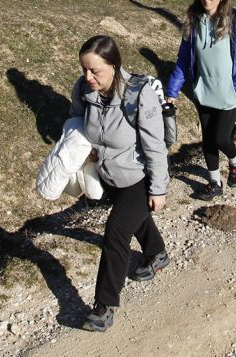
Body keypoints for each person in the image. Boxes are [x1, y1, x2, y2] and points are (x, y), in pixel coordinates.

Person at [71, 35, 170, 332]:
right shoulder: (83, 89)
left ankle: (104, 306)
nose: (88, 77)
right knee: (133, 220)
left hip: (139, 177)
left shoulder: (139, 95)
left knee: (115, 232)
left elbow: (155, 145)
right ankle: (156, 253)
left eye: (95, 71)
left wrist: (159, 188)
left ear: (114, 66)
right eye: (84, 69)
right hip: (108, 175)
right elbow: (76, 124)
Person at [165, 0, 236, 200]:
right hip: (204, 91)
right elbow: (183, 60)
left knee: (222, 138)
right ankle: (214, 182)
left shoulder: (235, 20)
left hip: (230, 93)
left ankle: (235, 161)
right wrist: (172, 91)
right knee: (207, 139)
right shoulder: (193, 23)